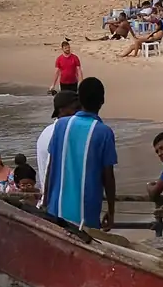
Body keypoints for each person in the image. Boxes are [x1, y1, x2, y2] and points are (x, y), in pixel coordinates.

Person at [37, 76, 118, 229]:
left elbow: (50, 167)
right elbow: (108, 176)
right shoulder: (104, 133)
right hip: (86, 214)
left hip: (56, 210)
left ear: (80, 100)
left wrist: (45, 202)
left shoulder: (61, 125)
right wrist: (111, 211)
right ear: (102, 101)